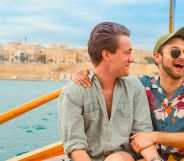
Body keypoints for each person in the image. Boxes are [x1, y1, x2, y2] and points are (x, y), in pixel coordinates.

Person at [73, 26, 184, 161]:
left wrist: (154, 136)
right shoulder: (141, 85)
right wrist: (86, 72)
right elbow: (108, 72)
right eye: (175, 52)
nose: (182, 57)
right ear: (157, 57)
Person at [59, 22, 161, 161]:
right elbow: (75, 146)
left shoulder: (134, 86)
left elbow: (142, 134)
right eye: (127, 52)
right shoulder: (72, 92)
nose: (131, 59)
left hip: (123, 157)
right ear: (106, 55)